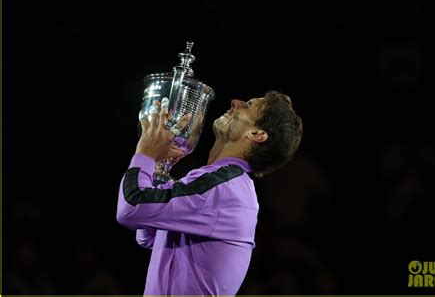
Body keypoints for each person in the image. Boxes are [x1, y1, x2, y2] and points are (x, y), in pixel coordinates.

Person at [116, 91, 303, 295]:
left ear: (257, 134)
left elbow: (132, 208)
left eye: (249, 105)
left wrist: (145, 152)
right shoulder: (222, 181)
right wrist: (159, 168)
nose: (236, 102)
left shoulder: (224, 188)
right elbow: (149, 235)